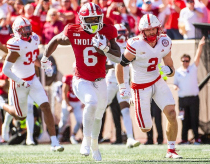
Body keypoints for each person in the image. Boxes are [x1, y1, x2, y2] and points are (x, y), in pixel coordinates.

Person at [43, 2, 121, 161]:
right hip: (81, 79)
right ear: (82, 19)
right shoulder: (73, 31)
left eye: (96, 18)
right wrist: (45, 58)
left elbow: (118, 57)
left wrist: (105, 49)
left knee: (98, 115)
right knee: (91, 103)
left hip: (100, 80)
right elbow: (56, 40)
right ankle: (85, 139)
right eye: (89, 19)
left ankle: (95, 146)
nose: (93, 22)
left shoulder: (108, 30)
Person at [0, 16, 63, 151]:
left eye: (28, 28)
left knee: (45, 106)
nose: (27, 31)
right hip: (19, 84)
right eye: (23, 29)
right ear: (17, 31)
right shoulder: (15, 45)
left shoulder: (35, 39)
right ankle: (0, 103)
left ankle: (54, 142)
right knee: (20, 115)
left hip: (33, 79)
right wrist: (21, 81)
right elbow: (6, 70)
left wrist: (45, 65)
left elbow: (32, 58)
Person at [115, 14, 182, 159]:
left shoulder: (165, 41)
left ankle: (171, 150)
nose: (151, 32)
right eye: (148, 30)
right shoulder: (135, 44)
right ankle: (136, 101)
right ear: (142, 31)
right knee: (146, 128)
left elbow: (171, 69)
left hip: (157, 81)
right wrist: (122, 87)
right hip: (139, 87)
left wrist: (168, 70)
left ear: (159, 28)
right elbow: (120, 66)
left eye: (154, 29)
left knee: (171, 113)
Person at [106, 24, 140, 148]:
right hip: (110, 81)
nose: (121, 35)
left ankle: (130, 138)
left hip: (124, 83)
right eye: (118, 32)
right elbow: (103, 65)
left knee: (125, 111)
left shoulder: (130, 45)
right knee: (100, 108)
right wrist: (116, 65)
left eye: (122, 32)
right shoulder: (109, 45)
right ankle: (90, 137)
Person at [173, 36, 205, 145]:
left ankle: (196, 138)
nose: (185, 63)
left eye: (187, 61)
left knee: (194, 118)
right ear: (181, 61)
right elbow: (175, 83)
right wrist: (175, 87)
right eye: (183, 61)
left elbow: (198, 57)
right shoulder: (177, 72)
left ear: (189, 61)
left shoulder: (193, 68)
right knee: (183, 119)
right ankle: (184, 139)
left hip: (193, 98)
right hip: (182, 99)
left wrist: (200, 46)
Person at [58, 64, 83, 145]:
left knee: (79, 121)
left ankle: (73, 136)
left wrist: (84, 102)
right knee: (64, 121)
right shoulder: (68, 78)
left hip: (77, 102)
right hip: (68, 101)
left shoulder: (82, 78)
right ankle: (59, 135)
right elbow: (64, 92)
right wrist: (68, 105)